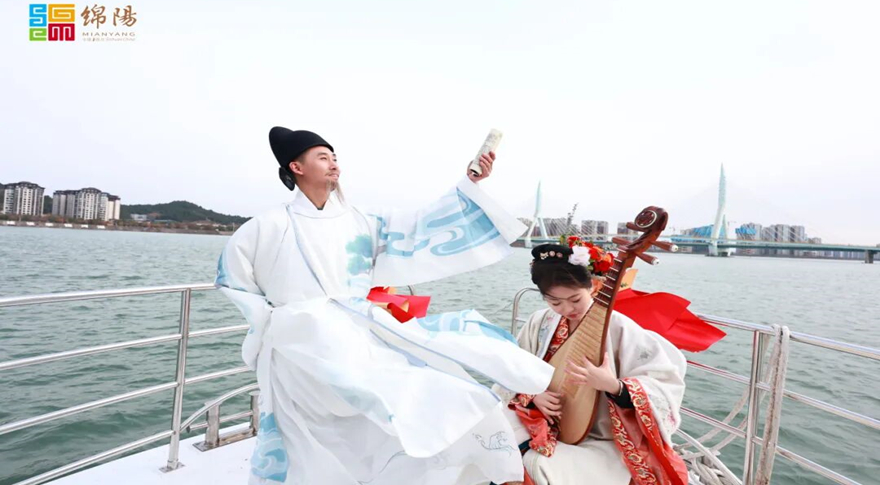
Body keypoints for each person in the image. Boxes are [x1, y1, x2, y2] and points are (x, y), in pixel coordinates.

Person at [216, 127, 553, 485]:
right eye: (323, 158)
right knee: (302, 440)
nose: (334, 164)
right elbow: (235, 281)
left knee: (415, 402)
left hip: (353, 334)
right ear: (296, 167)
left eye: (334, 157)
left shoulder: (360, 221)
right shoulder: (266, 226)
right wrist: (274, 323)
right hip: (296, 344)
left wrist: (469, 182)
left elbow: (419, 225)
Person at [494, 243, 688, 485]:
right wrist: (533, 395)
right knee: (491, 440)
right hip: (540, 417)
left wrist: (614, 386)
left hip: (601, 435)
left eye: (575, 299)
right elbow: (513, 369)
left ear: (593, 286)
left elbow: (665, 382)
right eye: (555, 302)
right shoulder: (540, 321)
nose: (567, 309)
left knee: (537, 467)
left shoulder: (619, 327)